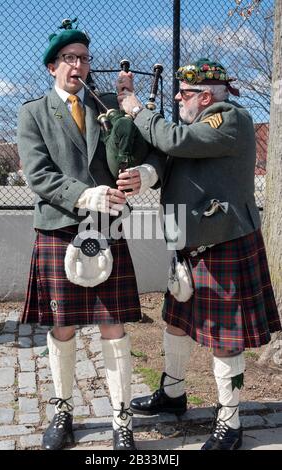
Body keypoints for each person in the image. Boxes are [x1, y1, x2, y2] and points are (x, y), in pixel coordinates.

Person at [116, 58, 282, 450]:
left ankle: (231, 422)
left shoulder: (229, 119)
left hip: (224, 243)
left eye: (184, 93)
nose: (177, 97)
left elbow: (174, 141)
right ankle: (172, 395)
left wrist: (137, 109)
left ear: (206, 96)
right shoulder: (192, 127)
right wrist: (146, 174)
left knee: (225, 338)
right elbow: (164, 155)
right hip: (187, 244)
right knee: (174, 320)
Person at [17, 18, 150, 451]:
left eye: (84, 59)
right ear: (52, 66)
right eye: (70, 59)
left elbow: (145, 143)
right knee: (64, 325)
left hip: (108, 225)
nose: (78, 66)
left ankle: (121, 417)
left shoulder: (108, 104)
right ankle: (63, 410)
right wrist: (87, 194)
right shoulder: (33, 112)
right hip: (60, 226)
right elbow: (39, 175)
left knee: (114, 325)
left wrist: (142, 172)